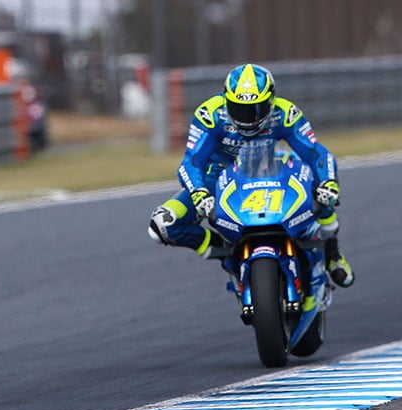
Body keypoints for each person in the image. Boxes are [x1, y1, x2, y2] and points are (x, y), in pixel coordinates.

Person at [148, 63, 354, 288]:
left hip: (270, 169)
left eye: (256, 109)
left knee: (319, 188)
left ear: (271, 101)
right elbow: (191, 162)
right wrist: (199, 193)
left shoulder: (285, 112)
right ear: (226, 99)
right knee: (162, 225)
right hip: (218, 177)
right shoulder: (210, 114)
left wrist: (328, 182)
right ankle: (224, 250)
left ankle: (331, 250)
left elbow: (316, 153)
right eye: (239, 109)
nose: (247, 119)